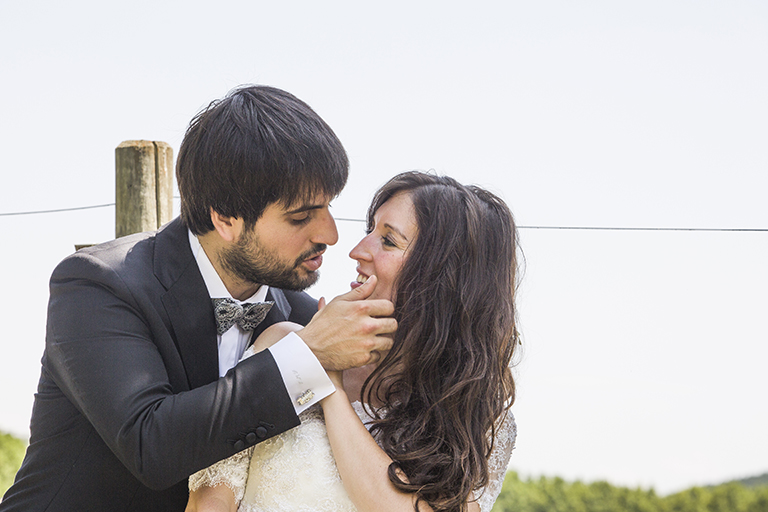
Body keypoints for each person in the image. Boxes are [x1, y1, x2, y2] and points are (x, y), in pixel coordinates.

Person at [0, 85, 396, 512]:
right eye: (301, 216)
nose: (330, 235)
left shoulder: (301, 318)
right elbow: (150, 445)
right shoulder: (98, 286)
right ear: (224, 218)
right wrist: (307, 355)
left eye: (329, 207)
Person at [186, 171, 520, 512]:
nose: (357, 251)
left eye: (388, 241)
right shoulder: (283, 344)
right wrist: (311, 358)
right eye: (369, 231)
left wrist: (330, 389)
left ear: (443, 276)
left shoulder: (479, 419)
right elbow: (209, 500)